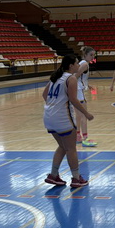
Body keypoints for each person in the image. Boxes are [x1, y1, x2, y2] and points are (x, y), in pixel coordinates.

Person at [43, 54, 94, 188]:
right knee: (71, 148)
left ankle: (53, 175)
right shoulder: (71, 78)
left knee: (62, 146)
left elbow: (44, 95)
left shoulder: (55, 77)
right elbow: (73, 99)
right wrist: (86, 113)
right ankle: (76, 178)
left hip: (48, 116)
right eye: (76, 63)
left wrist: (54, 105)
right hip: (62, 117)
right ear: (71, 65)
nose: (78, 65)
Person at [74, 46, 97, 147]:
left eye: (94, 55)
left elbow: (79, 78)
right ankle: (85, 138)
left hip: (77, 90)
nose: (93, 57)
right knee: (84, 116)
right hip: (79, 91)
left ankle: (77, 136)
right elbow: (75, 76)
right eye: (91, 55)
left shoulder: (81, 63)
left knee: (78, 116)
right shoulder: (85, 64)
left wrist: (87, 85)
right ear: (85, 55)